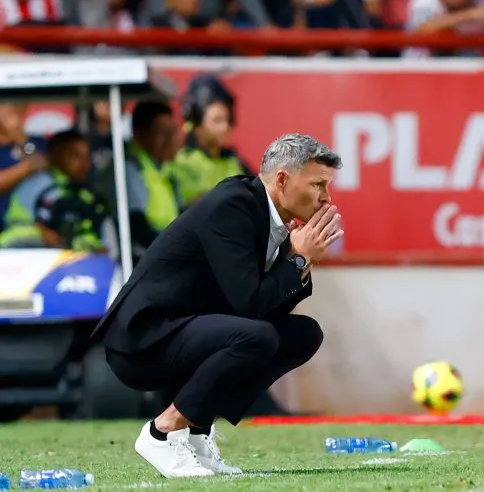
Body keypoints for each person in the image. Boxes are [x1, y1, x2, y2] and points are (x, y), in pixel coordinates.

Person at [93, 134, 343, 478]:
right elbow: (250, 304)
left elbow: (265, 309)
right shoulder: (233, 206)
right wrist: (297, 260)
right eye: (318, 184)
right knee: (256, 337)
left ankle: (197, 432)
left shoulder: (270, 219)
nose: (326, 197)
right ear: (283, 180)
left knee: (303, 334)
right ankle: (161, 432)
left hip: (190, 331)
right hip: (145, 340)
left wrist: (301, 260)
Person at [0, 129, 109, 251]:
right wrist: (44, 232)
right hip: (22, 250)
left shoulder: (87, 194)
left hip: (69, 257)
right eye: (75, 156)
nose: (84, 163)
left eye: (86, 157)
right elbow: (25, 228)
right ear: (56, 155)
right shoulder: (39, 183)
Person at [99, 100, 181, 260]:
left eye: (172, 132)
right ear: (139, 134)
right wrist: (175, 250)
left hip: (164, 252)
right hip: (142, 259)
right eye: (161, 133)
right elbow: (137, 226)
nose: (170, 139)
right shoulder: (129, 167)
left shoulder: (165, 169)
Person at [168, 76, 253, 207]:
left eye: (228, 119)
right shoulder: (180, 161)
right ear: (196, 121)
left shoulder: (233, 161)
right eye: (217, 120)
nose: (225, 127)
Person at [0, 104, 46, 230]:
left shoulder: (36, 142)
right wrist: (28, 167)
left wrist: (21, 140)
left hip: (31, 226)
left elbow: (40, 164)